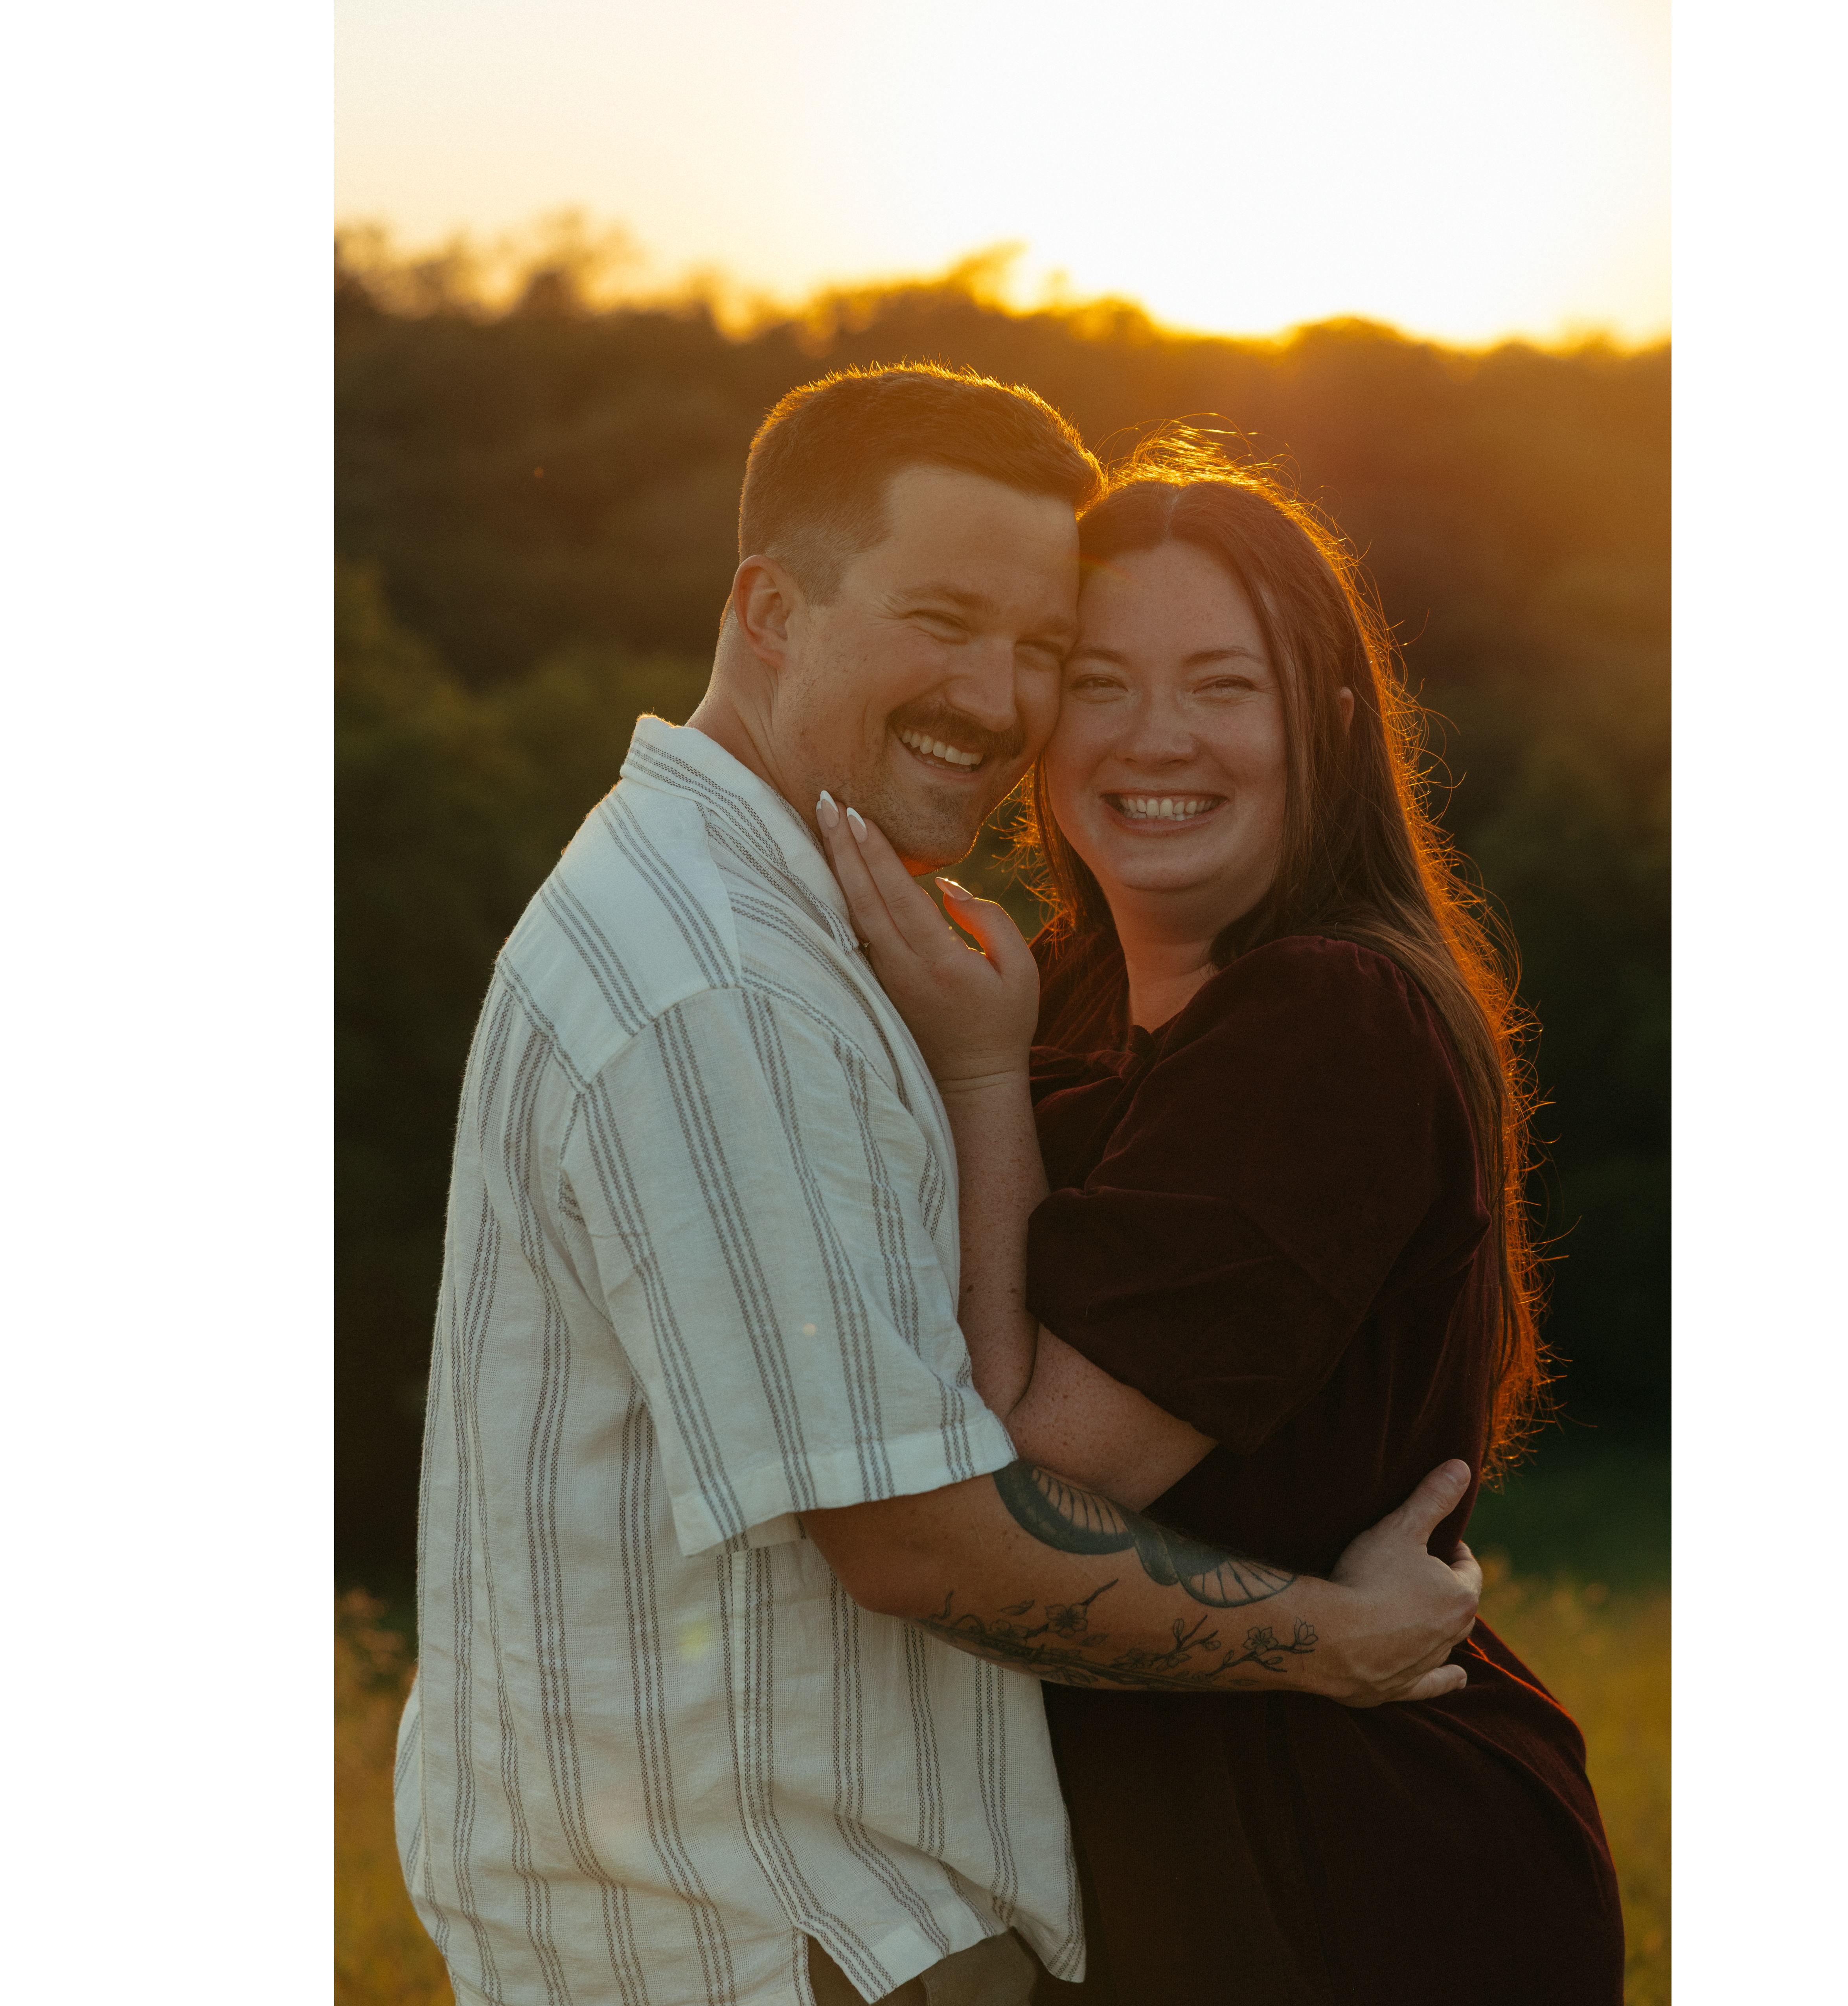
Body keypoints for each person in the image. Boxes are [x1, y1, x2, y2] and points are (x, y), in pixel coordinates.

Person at [396, 366, 1490, 2006]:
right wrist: (1338, 1636)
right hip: (775, 1928)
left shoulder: (815, 935)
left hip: (905, 1907)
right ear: (771, 609)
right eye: (947, 621)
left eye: (1039, 647)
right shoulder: (726, 981)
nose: (998, 698)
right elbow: (922, 1540)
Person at [818, 437, 1627, 2004]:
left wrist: (975, 1075)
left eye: (1222, 685)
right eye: (1099, 682)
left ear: (1329, 721)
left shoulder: (1329, 1018)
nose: (1155, 736)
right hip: (1145, 1867)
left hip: (1346, 1868)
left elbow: (1027, 1485)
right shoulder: (1064, 993)